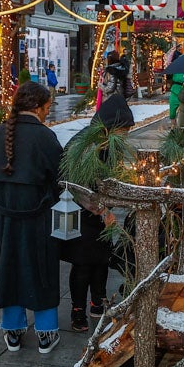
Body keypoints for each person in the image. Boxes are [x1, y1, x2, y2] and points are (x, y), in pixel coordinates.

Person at [0, 81, 64, 353]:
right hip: (39, 217)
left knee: (8, 268)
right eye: (48, 107)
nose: (47, 113)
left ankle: (13, 331)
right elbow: (60, 178)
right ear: (39, 107)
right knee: (41, 269)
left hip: (4, 217)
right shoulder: (45, 137)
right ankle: (45, 332)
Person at [62, 81, 134, 331]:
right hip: (82, 212)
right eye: (124, 130)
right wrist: (102, 210)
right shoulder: (88, 144)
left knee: (101, 261)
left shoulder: (106, 143)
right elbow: (77, 184)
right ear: (113, 126)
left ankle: (97, 302)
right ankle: (78, 309)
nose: (125, 136)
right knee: (83, 263)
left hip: (99, 212)